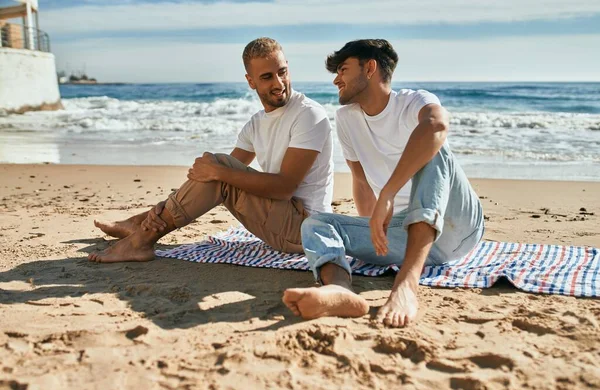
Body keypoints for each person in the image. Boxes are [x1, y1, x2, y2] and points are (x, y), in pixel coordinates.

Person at [283, 39, 484, 327]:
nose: (336, 79)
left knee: (434, 147)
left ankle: (405, 287)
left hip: (458, 224)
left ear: (370, 68)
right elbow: (362, 183)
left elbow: (437, 126)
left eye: (343, 69)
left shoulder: (411, 102)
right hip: (403, 237)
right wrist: (372, 227)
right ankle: (339, 289)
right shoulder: (346, 119)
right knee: (315, 224)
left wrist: (387, 194)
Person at [89, 37, 334, 262]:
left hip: (306, 229)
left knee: (219, 168)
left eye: (282, 72)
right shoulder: (257, 123)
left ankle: (141, 239)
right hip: (281, 220)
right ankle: (142, 223)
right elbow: (213, 179)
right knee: (217, 166)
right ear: (251, 81)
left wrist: (217, 171)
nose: (278, 83)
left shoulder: (308, 114)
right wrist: (163, 206)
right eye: (267, 76)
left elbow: (284, 188)